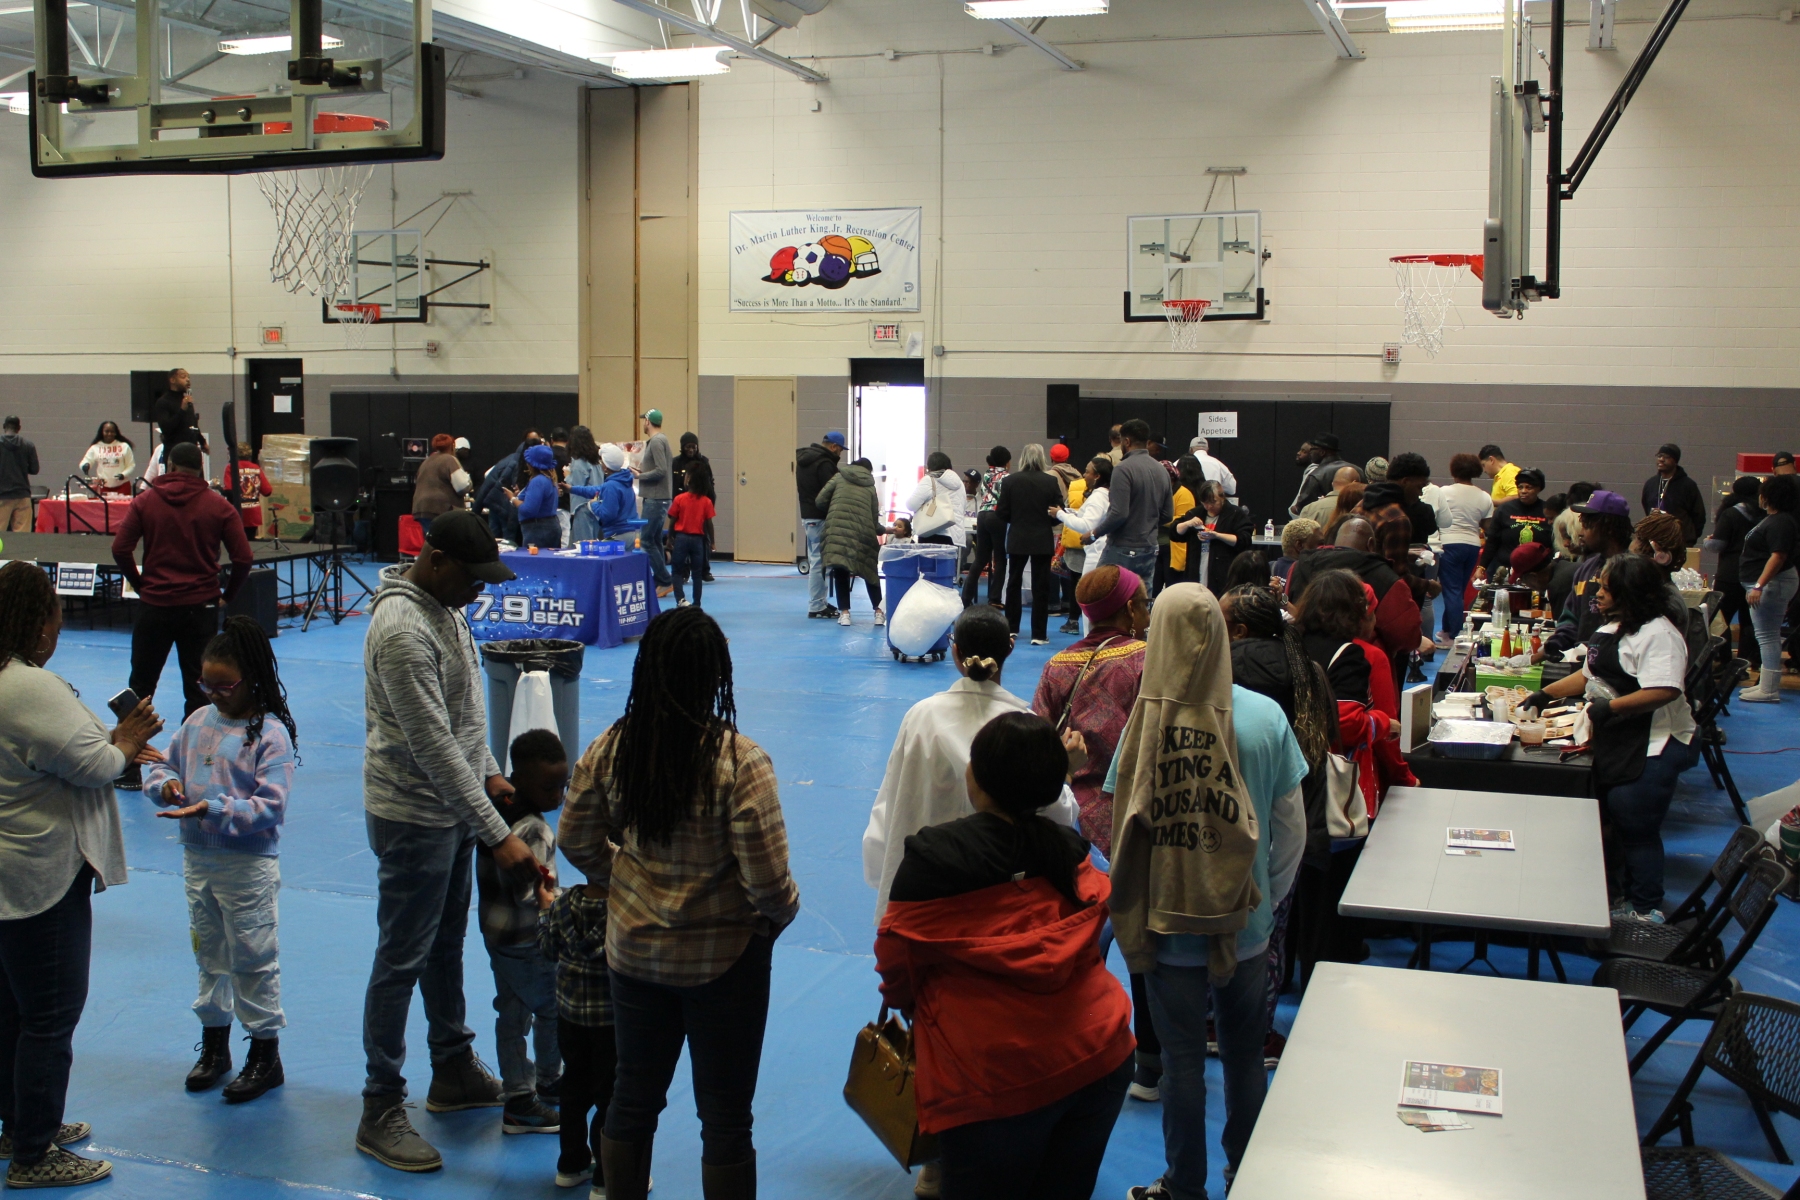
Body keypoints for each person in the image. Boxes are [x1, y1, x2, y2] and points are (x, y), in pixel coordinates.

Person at [559, 607, 799, 1200]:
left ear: (647, 668)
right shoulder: (740, 762)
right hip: (726, 962)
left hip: (634, 956)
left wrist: (627, 881)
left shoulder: (612, 748)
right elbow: (769, 885)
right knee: (726, 1116)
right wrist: (775, 918)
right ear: (716, 676)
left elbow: (576, 839)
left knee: (632, 1096)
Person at [877, 713, 1134, 1200]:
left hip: (991, 1078)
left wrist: (920, 1011)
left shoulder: (932, 859)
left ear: (976, 777)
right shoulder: (1071, 851)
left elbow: (896, 964)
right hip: (1101, 1054)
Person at [356, 511, 539, 1173]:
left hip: (452, 810)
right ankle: (380, 1105)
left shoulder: (447, 609)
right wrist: (498, 835)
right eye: (473, 578)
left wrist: (489, 772)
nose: (480, 591)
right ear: (435, 562)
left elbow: (462, 716)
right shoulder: (404, 631)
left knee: (444, 944)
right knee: (402, 957)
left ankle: (453, 1066)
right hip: (413, 817)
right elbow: (433, 746)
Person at [1107, 585, 1285, 1200]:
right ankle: (1248, 1173)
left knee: (1181, 1064)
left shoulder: (1144, 725)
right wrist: (1263, 898)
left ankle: (1185, 1185)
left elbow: (1120, 828)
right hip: (1246, 923)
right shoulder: (1264, 717)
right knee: (1244, 1056)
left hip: (1167, 926)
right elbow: (1291, 829)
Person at [0, 561, 162, 1189]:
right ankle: (34, 1154)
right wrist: (126, 742)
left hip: (10, 872)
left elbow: (70, 744)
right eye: (57, 617)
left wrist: (113, 740)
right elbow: (95, 765)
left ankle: (18, 1123)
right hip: (40, 873)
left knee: (12, 1007)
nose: (60, 628)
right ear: (39, 622)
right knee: (50, 1013)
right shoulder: (28, 687)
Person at [143, 614, 296, 1105]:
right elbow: (162, 766)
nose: (214, 695)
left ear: (251, 678)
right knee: (209, 953)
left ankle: (265, 1053)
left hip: (247, 867)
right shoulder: (196, 722)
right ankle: (215, 1047)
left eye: (224, 686)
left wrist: (212, 809)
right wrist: (165, 786)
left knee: (253, 957)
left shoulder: (270, 735)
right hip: (198, 859)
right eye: (205, 685)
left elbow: (270, 806)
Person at [865, 606, 1084, 920]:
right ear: (1010, 647)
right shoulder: (1023, 726)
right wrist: (1066, 773)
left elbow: (895, 801)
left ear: (955, 651)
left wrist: (885, 870)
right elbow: (1053, 817)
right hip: (996, 901)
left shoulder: (921, 716)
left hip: (920, 892)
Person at [1522, 555, 1699, 920]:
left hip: (1656, 741)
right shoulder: (1611, 628)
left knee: (1635, 822)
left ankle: (1646, 910)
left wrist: (1612, 708)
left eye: (1606, 588)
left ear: (1629, 592)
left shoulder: (1659, 635)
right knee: (1614, 818)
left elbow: (1664, 690)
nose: (1598, 594)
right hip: (1621, 736)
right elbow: (1588, 676)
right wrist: (1545, 694)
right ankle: (1615, 895)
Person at [1220, 583, 1338, 1064]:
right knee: (1268, 937)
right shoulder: (1305, 667)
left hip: (1223, 813)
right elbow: (1325, 739)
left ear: (1239, 630)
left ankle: (1212, 1024)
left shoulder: (1222, 673)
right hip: (1291, 814)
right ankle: (1260, 1031)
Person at [111, 440, 254, 769]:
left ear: (170, 466)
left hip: (155, 605)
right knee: (200, 687)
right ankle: (196, 764)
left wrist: (141, 583)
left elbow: (120, 548)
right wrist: (227, 594)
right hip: (200, 607)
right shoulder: (218, 506)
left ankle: (129, 764)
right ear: (201, 468)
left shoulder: (145, 502)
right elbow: (243, 557)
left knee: (141, 686)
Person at [475, 728, 567, 1135]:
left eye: (562, 786)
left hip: (497, 935)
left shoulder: (496, 813)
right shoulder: (536, 832)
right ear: (520, 779)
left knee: (511, 1012)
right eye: (549, 788)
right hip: (530, 940)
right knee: (552, 1009)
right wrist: (568, 904)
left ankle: (517, 1094)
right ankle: (546, 1080)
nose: (558, 796)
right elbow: (535, 894)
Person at [1030, 567, 1150, 854]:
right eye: (1146, 604)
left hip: (1068, 814)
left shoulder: (1056, 666)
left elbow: (1038, 744)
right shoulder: (1146, 660)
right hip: (1130, 812)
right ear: (1130, 609)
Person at [538, 856, 614, 1195]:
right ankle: (607, 1176)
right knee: (610, 1097)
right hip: (611, 1024)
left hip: (569, 1019)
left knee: (573, 1089)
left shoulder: (563, 904)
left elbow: (547, 949)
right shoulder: (624, 910)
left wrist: (544, 909)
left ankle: (571, 1164)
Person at [1540, 490, 1640, 663]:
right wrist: (1559, 641)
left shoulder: (1635, 570)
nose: (1581, 533)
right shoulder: (1586, 568)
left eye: (1586, 526)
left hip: (1619, 667)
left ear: (1608, 527)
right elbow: (1571, 615)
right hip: (1584, 664)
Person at [1737, 474, 1798, 704]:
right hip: (1770, 584)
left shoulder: (1780, 522)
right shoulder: (1775, 520)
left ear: (1769, 496)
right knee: (1766, 635)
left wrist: (1759, 585)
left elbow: (1778, 556)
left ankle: (1769, 689)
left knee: (1767, 635)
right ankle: (1766, 685)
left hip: (1773, 584)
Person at [997, 443, 1063, 645]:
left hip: (1017, 537)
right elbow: (1058, 513)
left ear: (1023, 458)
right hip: (1042, 538)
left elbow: (1002, 512)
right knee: (1041, 586)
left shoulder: (1010, 481)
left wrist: (1017, 520)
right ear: (1041, 458)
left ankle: (1011, 628)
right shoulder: (1050, 481)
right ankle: (1039, 634)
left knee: (1013, 583)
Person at [1093, 419, 1173, 582]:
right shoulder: (1162, 470)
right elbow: (1168, 515)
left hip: (1123, 547)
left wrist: (1094, 534)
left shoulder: (1122, 469)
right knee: (1141, 595)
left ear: (1127, 441)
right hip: (1150, 547)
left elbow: (1119, 514)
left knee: (1103, 591)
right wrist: (1146, 523)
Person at [1707, 475, 1765, 680]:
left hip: (1730, 573)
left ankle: (1725, 662)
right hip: (1756, 574)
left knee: (1721, 619)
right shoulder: (1765, 515)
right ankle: (1744, 664)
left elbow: (1718, 544)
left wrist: (1708, 541)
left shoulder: (1730, 513)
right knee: (1749, 621)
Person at [1432, 453, 1494, 643]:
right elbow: (1488, 526)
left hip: (1449, 543)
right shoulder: (1484, 496)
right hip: (1472, 546)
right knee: (1457, 589)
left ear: (1453, 470)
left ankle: (1455, 634)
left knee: (1451, 590)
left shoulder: (1443, 492)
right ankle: (1447, 629)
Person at [817, 456, 885, 628]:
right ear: (869, 471)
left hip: (837, 529)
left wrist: (834, 509)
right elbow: (874, 520)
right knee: (869, 570)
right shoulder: (870, 486)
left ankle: (845, 613)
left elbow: (820, 501)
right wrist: (885, 530)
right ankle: (879, 612)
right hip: (863, 533)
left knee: (841, 569)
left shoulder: (839, 477)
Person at [797, 431, 848, 619]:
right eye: (840, 450)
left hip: (809, 516)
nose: (840, 454)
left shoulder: (805, 461)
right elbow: (832, 492)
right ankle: (817, 605)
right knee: (819, 562)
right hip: (820, 517)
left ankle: (819, 601)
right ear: (834, 447)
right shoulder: (825, 464)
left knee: (816, 560)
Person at [1175, 478, 1252, 595]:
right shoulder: (1196, 513)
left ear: (1222, 497)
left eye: (1213, 502)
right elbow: (1176, 533)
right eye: (1205, 503)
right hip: (1197, 569)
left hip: (1223, 571)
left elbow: (1243, 540)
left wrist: (1217, 535)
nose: (1209, 506)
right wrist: (1188, 523)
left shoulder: (1235, 514)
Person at [962, 446, 1012, 609]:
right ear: (1006, 462)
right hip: (997, 516)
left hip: (982, 515)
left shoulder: (986, 475)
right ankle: (994, 598)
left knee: (980, 559)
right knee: (1000, 559)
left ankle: (966, 597)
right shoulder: (1007, 477)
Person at [1477, 467, 1549, 579]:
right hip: (1506, 569)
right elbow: (1492, 541)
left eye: (1529, 487)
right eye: (1520, 487)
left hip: (1538, 572)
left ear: (1538, 489)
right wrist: (1482, 567)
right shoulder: (1505, 510)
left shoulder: (1546, 510)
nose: (1523, 491)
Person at [634, 410, 674, 598]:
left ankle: (665, 580)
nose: (643, 423)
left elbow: (661, 470)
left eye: (644, 421)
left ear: (648, 422)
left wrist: (639, 475)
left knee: (647, 540)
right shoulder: (661, 440)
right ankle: (660, 579)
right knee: (656, 540)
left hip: (656, 498)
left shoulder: (657, 442)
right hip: (659, 497)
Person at [667, 464, 716, 608]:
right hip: (697, 540)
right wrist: (712, 542)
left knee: (677, 570)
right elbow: (709, 524)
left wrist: (670, 538)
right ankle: (697, 603)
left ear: (688, 480)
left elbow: (672, 521)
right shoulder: (706, 501)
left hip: (681, 538)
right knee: (697, 574)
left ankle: (680, 599)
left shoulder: (679, 499)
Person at [1641, 443, 1708, 543]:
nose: (1661, 459)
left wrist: (1690, 536)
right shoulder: (1650, 483)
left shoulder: (1688, 485)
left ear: (1675, 461)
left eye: (1666, 457)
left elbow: (1699, 515)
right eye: (1659, 456)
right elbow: (1646, 507)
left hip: (1680, 541)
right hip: (1655, 539)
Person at [412, 434, 468, 541]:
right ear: (452, 446)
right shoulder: (450, 459)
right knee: (446, 543)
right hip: (440, 510)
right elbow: (463, 487)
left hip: (421, 509)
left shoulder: (427, 461)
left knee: (431, 542)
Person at [508, 444, 564, 551]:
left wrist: (512, 498)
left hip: (538, 530)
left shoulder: (537, 481)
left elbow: (528, 510)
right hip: (551, 526)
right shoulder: (550, 479)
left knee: (535, 560)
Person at [906, 451, 967, 549]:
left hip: (933, 532)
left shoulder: (929, 480)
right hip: (955, 536)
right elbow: (963, 506)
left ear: (930, 467)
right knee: (949, 560)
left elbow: (911, 505)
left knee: (929, 560)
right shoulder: (959, 483)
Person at [1290, 433, 1347, 515]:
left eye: (1312, 449)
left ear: (1322, 452)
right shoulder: (1357, 470)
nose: (1310, 453)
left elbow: (1301, 508)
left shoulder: (1316, 475)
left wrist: (1294, 509)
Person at [0, 416, 38, 533]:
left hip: (2, 495)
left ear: (4, 426)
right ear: (19, 428)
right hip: (22, 495)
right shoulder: (28, 445)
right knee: (22, 536)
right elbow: (34, 469)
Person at [567, 427, 605, 543]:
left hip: (583, 508)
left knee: (582, 545)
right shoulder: (597, 461)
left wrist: (567, 476)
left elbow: (577, 487)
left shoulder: (578, 462)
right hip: (597, 506)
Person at [230, 442, 272, 540]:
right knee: (250, 542)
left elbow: (229, 491)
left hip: (237, 513)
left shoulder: (231, 468)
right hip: (253, 514)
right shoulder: (256, 468)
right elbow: (267, 491)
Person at [79, 422, 135, 496]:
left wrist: (123, 475)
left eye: (112, 432)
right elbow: (85, 461)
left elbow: (131, 465)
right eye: (106, 431)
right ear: (102, 432)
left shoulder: (124, 446)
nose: (109, 434)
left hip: (122, 486)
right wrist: (85, 465)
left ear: (116, 433)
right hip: (103, 486)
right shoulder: (96, 447)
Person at [151, 369, 200, 451]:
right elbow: (166, 428)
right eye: (183, 377)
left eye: (188, 377)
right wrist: (182, 410)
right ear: (172, 380)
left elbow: (193, 424)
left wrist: (202, 441)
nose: (187, 380)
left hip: (191, 448)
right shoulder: (163, 401)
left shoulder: (186, 400)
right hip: (174, 450)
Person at [1270, 517, 1321, 588]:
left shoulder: (1269, 569)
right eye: (1320, 544)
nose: (1324, 548)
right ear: (1299, 545)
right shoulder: (1309, 576)